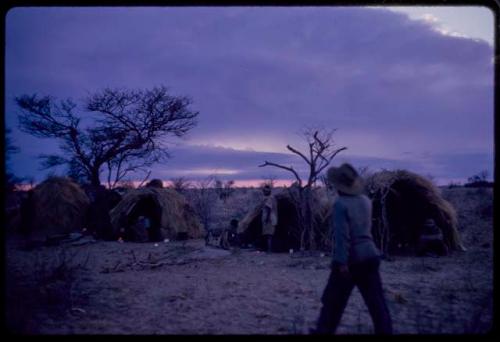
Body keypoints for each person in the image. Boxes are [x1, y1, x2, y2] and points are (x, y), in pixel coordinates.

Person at [313, 163, 392, 334]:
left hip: (351, 259)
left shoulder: (340, 204)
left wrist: (341, 262)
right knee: (377, 304)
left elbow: (343, 237)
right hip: (371, 255)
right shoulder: (365, 201)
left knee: (332, 302)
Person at [261, 184, 278, 253]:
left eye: (264, 191)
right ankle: (269, 249)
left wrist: (267, 219)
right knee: (269, 235)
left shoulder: (270, 198)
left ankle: (269, 249)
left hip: (270, 219)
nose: (263, 192)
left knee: (269, 235)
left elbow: (268, 209)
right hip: (271, 218)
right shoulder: (271, 198)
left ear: (268, 191)